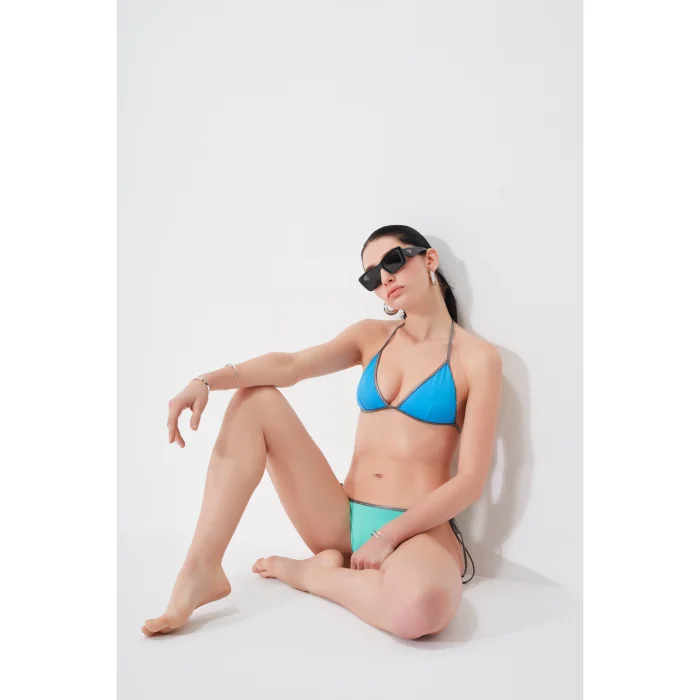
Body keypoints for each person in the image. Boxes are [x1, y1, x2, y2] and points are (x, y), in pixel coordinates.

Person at [141, 224, 503, 640]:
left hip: (417, 532)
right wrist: (206, 381)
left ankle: (312, 575)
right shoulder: (370, 337)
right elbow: (291, 366)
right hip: (339, 519)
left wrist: (388, 537)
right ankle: (200, 569)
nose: (384, 278)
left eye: (394, 261)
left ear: (429, 260)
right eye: (371, 276)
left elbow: (471, 480)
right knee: (255, 400)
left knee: (423, 609)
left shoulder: (478, 358)